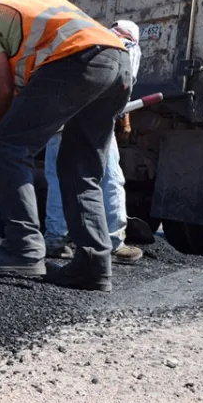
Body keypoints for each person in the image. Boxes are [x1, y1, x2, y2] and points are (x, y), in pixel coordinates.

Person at [0, 0, 133, 292]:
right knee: (78, 168)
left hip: (77, 59)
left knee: (6, 146)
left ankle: (23, 246)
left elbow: (0, 86)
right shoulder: (30, 6)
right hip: (117, 61)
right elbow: (20, 97)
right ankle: (93, 265)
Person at [43, 20, 143, 263]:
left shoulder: (85, 39)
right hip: (92, 119)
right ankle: (114, 241)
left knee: (58, 177)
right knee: (108, 176)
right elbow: (123, 84)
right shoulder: (127, 47)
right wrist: (123, 121)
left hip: (57, 115)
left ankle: (55, 240)